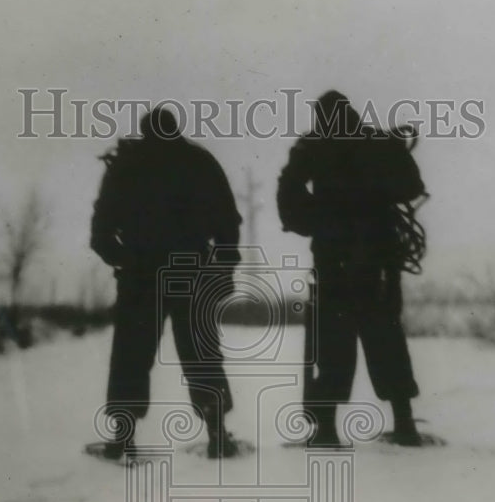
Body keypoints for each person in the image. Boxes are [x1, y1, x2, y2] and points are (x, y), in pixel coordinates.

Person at [90, 106, 243, 459]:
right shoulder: (200, 162)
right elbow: (228, 224)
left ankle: (122, 437)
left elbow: (100, 234)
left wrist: (125, 260)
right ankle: (218, 434)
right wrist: (223, 269)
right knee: (202, 353)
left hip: (140, 274)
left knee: (131, 354)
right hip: (191, 271)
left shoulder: (126, 164)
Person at [277, 90, 427, 447]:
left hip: (333, 257)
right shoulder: (378, 142)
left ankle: (326, 429)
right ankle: (404, 424)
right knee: (385, 336)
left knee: (332, 340)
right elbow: (412, 187)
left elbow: (288, 192)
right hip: (378, 257)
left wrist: (316, 221)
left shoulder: (312, 146)